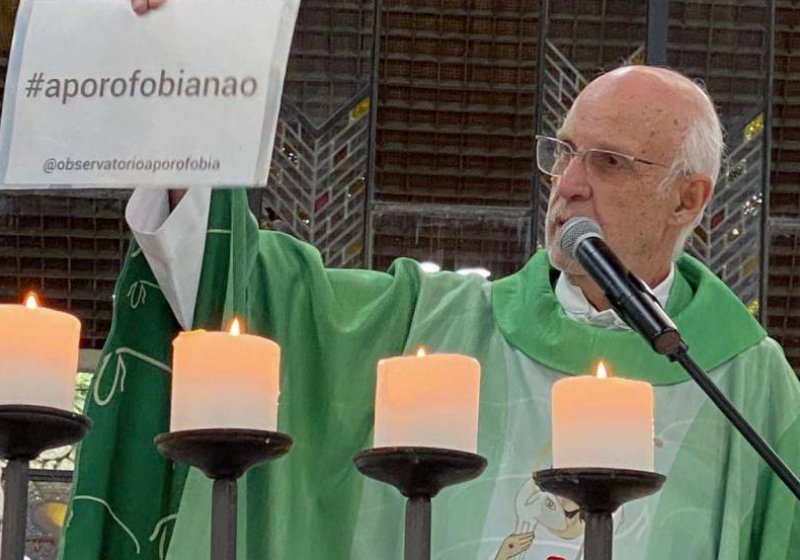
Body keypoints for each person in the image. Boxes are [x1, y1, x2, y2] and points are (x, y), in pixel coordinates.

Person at [58, 1, 800, 559]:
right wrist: (179, 102)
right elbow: (255, 300)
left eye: (608, 163)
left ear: (688, 197)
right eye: (564, 153)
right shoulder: (435, 325)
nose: (569, 183)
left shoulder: (742, 381)